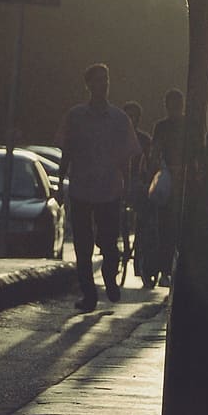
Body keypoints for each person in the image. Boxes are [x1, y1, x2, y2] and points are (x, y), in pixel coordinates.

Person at [57, 62, 141, 312]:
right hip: (81, 189)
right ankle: (89, 295)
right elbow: (66, 152)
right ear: (88, 85)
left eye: (106, 80)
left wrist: (127, 185)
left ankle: (109, 277)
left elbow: (127, 156)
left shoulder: (119, 119)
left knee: (109, 243)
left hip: (109, 190)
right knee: (82, 246)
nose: (103, 84)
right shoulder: (75, 116)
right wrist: (59, 183)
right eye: (97, 80)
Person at [149, 86, 187, 283]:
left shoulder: (161, 127)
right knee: (177, 226)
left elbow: (154, 153)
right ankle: (170, 268)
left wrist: (154, 171)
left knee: (164, 226)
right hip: (183, 182)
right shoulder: (190, 126)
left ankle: (164, 269)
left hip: (169, 180)